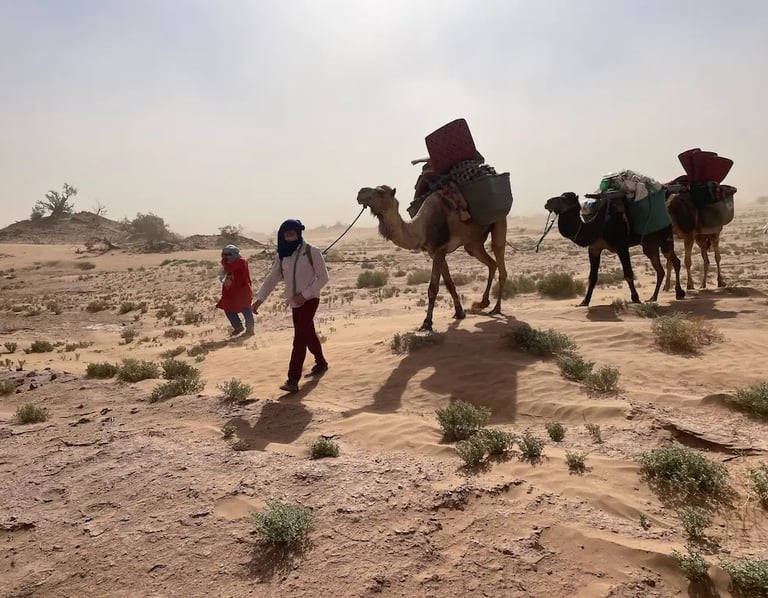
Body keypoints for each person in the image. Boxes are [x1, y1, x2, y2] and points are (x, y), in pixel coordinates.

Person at [252, 219, 329, 393]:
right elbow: (272, 278)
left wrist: (305, 295)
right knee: (307, 332)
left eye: (291, 233)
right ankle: (321, 362)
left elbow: (323, 277)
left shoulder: (312, 251)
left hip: (310, 299)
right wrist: (259, 299)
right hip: (294, 302)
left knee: (300, 338)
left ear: (298, 233)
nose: (288, 236)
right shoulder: (282, 255)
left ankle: (292, 379)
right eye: (285, 233)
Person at [215, 244, 254, 337]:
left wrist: (224, 261)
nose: (226, 256)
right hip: (231, 291)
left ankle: (250, 330)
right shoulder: (228, 262)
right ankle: (238, 327)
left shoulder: (241, 261)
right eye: (224, 254)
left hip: (242, 290)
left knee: (246, 310)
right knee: (228, 309)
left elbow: (230, 268)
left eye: (228, 254)